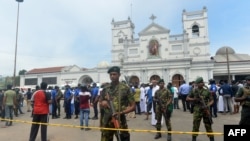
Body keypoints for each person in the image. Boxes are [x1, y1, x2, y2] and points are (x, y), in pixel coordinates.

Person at [99, 66, 135, 141]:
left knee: (122, 139)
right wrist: (103, 102)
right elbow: (100, 101)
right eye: (111, 74)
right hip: (107, 121)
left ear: (119, 75)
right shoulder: (106, 88)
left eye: (114, 74)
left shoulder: (125, 88)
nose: (112, 76)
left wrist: (120, 113)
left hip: (120, 121)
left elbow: (133, 106)